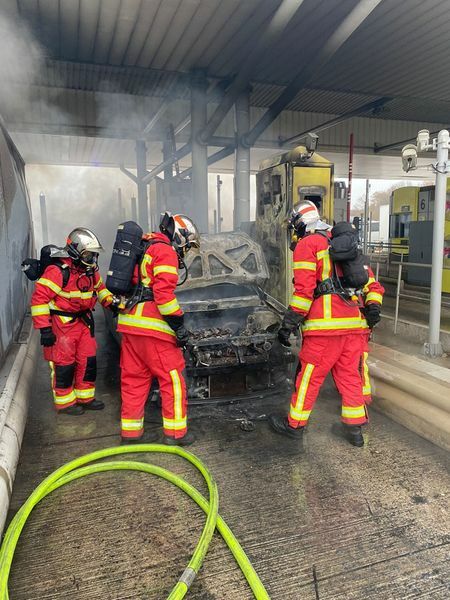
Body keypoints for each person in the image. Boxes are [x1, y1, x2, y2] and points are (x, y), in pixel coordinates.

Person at [269, 201, 384, 447]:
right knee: (350, 377)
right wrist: (373, 307)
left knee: (309, 378)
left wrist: (288, 324)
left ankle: (294, 426)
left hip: (324, 329)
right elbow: (371, 284)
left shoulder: (308, 244)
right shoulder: (344, 242)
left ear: (299, 223)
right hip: (354, 326)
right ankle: (354, 430)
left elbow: (304, 293)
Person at [117, 212, 200, 446]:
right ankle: (175, 434)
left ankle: (131, 434)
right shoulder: (165, 251)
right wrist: (179, 325)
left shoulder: (144, 246)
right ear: (180, 236)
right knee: (173, 380)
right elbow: (163, 297)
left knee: (134, 380)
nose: (185, 251)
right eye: (187, 245)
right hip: (153, 328)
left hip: (130, 324)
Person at [30, 228, 115, 415]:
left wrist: (113, 303)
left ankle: (85, 397)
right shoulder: (57, 271)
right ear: (76, 251)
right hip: (63, 325)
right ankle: (65, 402)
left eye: (94, 255)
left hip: (84, 323)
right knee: (64, 364)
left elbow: (100, 290)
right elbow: (39, 300)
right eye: (89, 254)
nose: (93, 259)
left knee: (87, 360)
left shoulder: (90, 271)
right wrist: (45, 329)